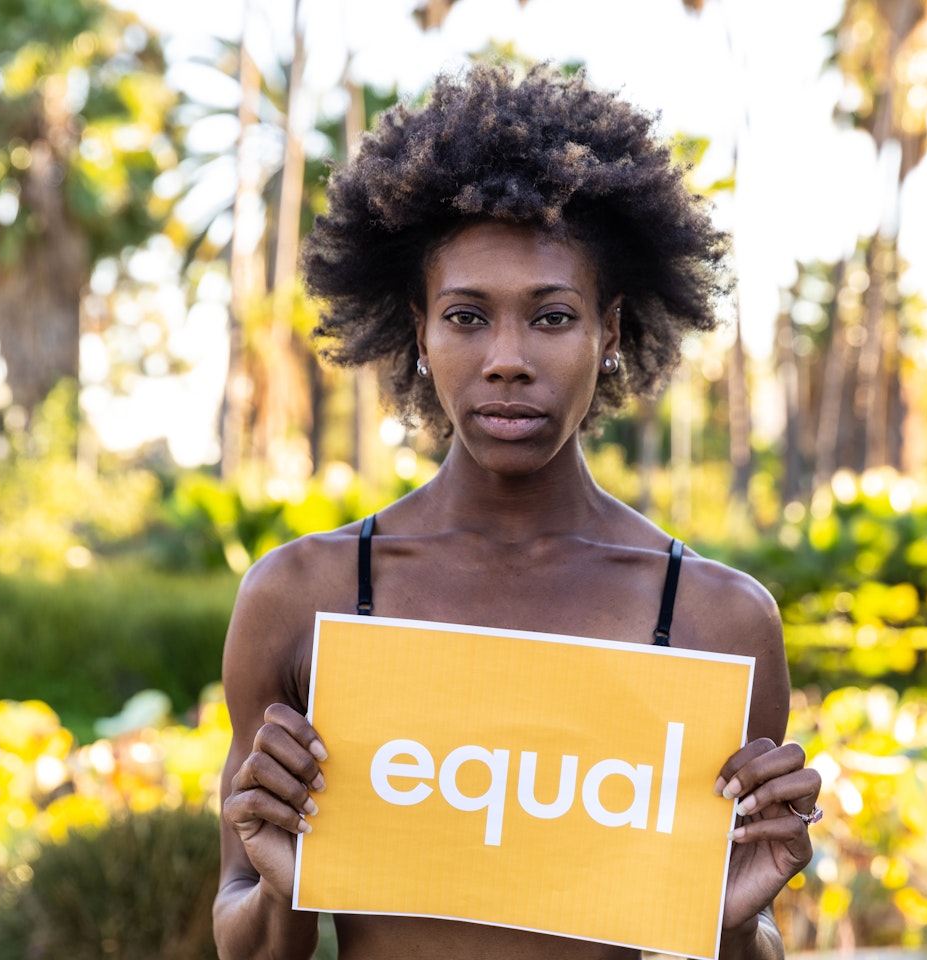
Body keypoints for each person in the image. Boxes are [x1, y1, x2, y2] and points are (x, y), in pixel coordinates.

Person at [214, 63, 823, 960]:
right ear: (415, 330)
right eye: (466, 316)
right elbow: (255, 943)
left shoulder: (714, 621)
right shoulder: (304, 596)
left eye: (550, 317)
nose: (506, 358)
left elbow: (743, 943)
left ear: (608, 333)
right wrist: (281, 884)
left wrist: (735, 921)